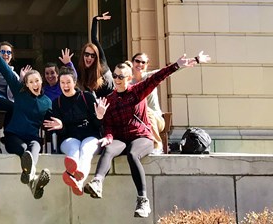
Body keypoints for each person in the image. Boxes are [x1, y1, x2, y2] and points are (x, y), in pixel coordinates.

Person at [83, 51, 210, 218]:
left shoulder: (137, 91)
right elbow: (109, 127)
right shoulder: (109, 100)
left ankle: (143, 200)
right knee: (108, 149)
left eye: (121, 76)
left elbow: (158, 77)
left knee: (132, 154)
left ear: (129, 78)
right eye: (115, 76)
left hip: (141, 137)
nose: (117, 79)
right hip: (121, 138)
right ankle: (97, 182)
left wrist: (179, 64)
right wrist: (106, 131)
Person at [0, 34, 52, 199]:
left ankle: (30, 177)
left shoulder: (47, 101)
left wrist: (60, 123)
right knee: (23, 151)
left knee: (35, 146)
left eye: (37, 81)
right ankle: (32, 177)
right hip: (14, 137)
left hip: (32, 137)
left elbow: (55, 117)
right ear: (26, 84)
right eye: (31, 82)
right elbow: (6, 70)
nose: (35, 84)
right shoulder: (20, 92)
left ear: (41, 81)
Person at [43, 67, 100, 196]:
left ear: (74, 82)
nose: (65, 85)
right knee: (74, 149)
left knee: (85, 149)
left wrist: (100, 116)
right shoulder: (56, 103)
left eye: (68, 82)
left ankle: (77, 179)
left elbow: (97, 124)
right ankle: (75, 177)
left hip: (90, 135)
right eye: (62, 83)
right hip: (69, 138)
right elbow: (59, 133)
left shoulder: (87, 97)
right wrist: (61, 126)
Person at [130, 52, 165, 154]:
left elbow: (166, 71)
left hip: (155, 119)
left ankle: (157, 145)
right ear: (132, 63)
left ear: (146, 65)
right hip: (137, 121)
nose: (140, 64)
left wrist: (183, 64)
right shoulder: (127, 82)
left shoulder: (149, 78)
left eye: (143, 62)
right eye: (137, 61)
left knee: (145, 109)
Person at [77, 12, 115, 98]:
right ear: (83, 55)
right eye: (86, 54)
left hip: (112, 99)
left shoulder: (102, 62)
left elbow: (94, 38)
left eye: (92, 55)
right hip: (97, 104)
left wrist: (96, 19)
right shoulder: (82, 72)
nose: (89, 57)